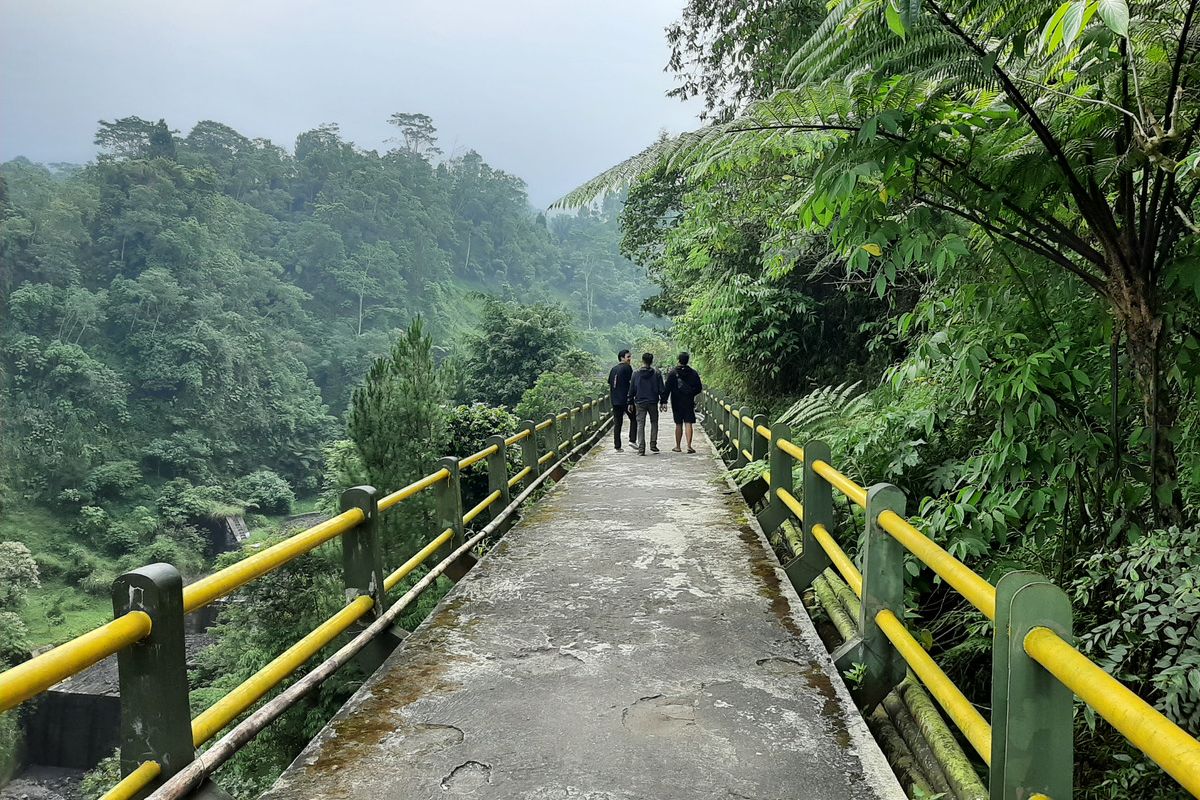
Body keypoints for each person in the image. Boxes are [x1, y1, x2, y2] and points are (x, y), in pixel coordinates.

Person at [662, 352, 703, 453]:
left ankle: (678, 446)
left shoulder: (672, 373)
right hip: (688, 400)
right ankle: (689, 446)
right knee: (688, 422)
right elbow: (699, 388)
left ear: (678, 360)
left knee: (678, 423)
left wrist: (663, 401)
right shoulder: (693, 373)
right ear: (687, 360)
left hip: (676, 400)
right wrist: (691, 393)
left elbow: (667, 388)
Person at [627, 352, 664, 456]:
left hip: (639, 402)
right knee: (654, 422)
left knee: (640, 424)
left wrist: (630, 402)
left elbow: (632, 389)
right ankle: (653, 444)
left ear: (642, 360)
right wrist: (663, 401)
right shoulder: (657, 373)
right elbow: (662, 389)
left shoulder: (635, 373)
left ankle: (641, 448)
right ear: (651, 361)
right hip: (652, 401)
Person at [607, 349, 636, 451]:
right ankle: (632, 440)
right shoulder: (627, 368)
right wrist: (631, 401)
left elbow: (610, 383)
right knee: (634, 419)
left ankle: (617, 446)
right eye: (628, 357)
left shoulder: (613, 369)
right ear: (622, 358)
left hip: (615, 401)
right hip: (625, 400)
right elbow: (631, 384)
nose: (630, 359)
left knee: (618, 423)